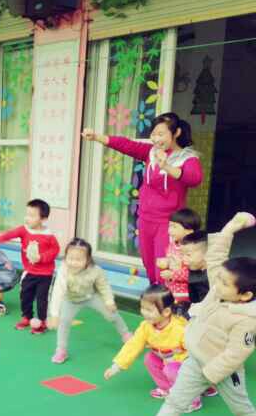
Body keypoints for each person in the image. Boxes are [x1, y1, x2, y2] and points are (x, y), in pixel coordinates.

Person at [130, 213, 256, 416]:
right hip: (195, 360)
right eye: (218, 279)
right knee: (175, 400)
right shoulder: (219, 291)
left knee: (241, 409)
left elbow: (235, 355)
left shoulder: (247, 320)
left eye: (225, 283)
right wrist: (230, 228)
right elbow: (216, 256)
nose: (217, 283)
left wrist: (209, 375)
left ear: (244, 295)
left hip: (222, 371)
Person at [82, 112, 203, 284]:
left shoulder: (187, 158)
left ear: (176, 133)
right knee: (149, 266)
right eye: (153, 134)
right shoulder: (152, 152)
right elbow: (126, 145)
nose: (156, 139)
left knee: (164, 268)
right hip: (145, 219)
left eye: (161, 134)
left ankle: (166, 298)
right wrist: (96, 137)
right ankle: (154, 295)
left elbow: (194, 179)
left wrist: (166, 166)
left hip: (168, 224)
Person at [103, 285, 208, 410]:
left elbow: (196, 350)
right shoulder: (146, 326)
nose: (144, 312)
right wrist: (117, 366)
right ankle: (167, 388)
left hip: (184, 362)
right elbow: (133, 345)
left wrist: (204, 372)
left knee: (171, 370)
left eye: (149, 310)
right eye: (142, 308)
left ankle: (192, 398)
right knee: (150, 359)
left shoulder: (180, 329)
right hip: (166, 357)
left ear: (166, 312)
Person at [47, 238, 131, 363]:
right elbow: (57, 292)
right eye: (70, 258)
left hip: (90, 296)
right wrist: (54, 314)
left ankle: (126, 334)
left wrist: (109, 301)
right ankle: (61, 350)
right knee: (64, 322)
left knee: (112, 314)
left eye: (78, 259)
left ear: (88, 259)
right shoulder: (63, 270)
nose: (73, 263)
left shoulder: (96, 270)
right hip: (70, 300)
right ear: (65, 258)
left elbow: (104, 286)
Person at [0, 198, 60, 334]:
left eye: (32, 215)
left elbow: (55, 251)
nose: (27, 218)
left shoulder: (49, 236)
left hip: (45, 274)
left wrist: (41, 258)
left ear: (43, 219)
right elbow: (10, 234)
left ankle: (42, 321)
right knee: (25, 295)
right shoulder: (24, 230)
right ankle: (27, 317)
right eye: (27, 214)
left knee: (42, 299)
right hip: (29, 272)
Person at [158, 208, 201, 318]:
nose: (169, 230)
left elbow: (193, 274)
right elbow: (172, 261)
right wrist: (166, 263)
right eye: (169, 226)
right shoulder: (173, 245)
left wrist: (173, 275)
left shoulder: (193, 251)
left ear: (189, 231)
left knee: (180, 322)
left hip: (184, 297)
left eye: (174, 227)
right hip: (171, 292)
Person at [181, 230, 210, 309]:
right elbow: (194, 299)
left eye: (188, 255)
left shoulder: (215, 274)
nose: (183, 259)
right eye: (182, 255)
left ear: (206, 254)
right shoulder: (192, 270)